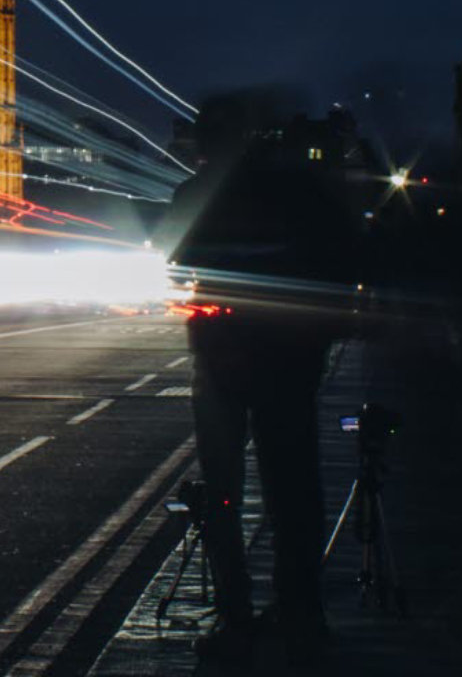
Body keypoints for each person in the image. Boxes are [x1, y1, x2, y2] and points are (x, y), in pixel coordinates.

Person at [166, 92, 359, 666]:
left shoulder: (198, 193)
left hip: (222, 359)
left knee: (223, 493)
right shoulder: (302, 189)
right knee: (294, 489)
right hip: (290, 358)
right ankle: (301, 612)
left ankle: (235, 617)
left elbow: (174, 259)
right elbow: (343, 260)